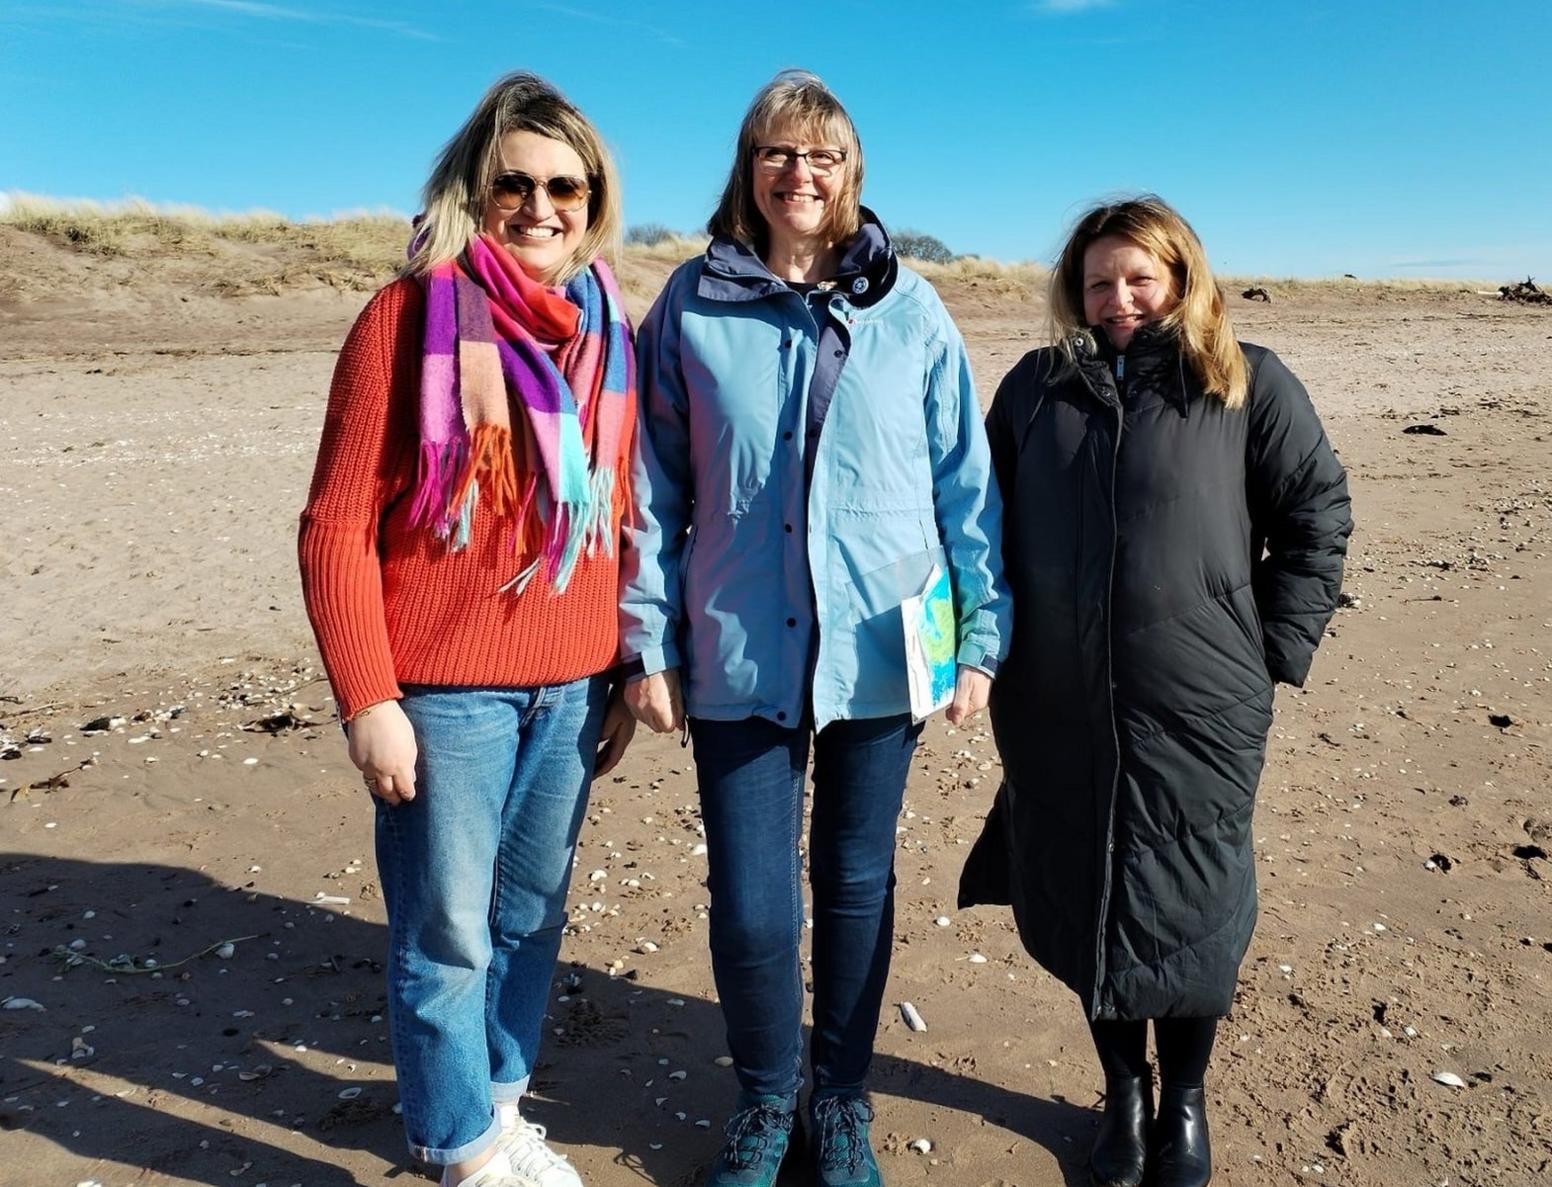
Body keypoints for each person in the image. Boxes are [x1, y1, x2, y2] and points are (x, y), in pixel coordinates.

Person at [619, 70, 1010, 1187]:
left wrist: (979, 636)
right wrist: (647, 643)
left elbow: (963, 487)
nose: (801, 174)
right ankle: (761, 1099)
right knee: (749, 902)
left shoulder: (912, 308)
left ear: (851, 177)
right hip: (738, 638)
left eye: (823, 157)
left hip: (886, 644)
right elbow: (651, 487)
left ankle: (838, 1098)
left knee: (855, 882)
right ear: (748, 169)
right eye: (779, 153)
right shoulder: (691, 304)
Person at [958, 195, 1353, 1187]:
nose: (1119, 298)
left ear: (1180, 277)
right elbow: (971, 530)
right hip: (1053, 702)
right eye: (1098, 281)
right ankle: (1120, 1095)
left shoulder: (1245, 382)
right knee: (1087, 891)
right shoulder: (1035, 390)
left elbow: (1315, 511)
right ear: (1074, 292)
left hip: (1202, 705)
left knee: (1192, 899)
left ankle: (1180, 1096)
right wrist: (962, 650)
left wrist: (1269, 650)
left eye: (1139, 277)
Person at [297, 72, 637, 1187]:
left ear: (594, 202)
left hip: (574, 681)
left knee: (532, 914)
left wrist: (628, 660)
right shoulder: (405, 319)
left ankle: (496, 1103)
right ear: (471, 190)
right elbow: (336, 524)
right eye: (515, 184)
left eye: (565, 188)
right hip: (444, 693)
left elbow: (624, 509)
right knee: (445, 931)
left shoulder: (609, 329)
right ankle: (456, 1147)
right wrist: (368, 699)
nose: (541, 207)